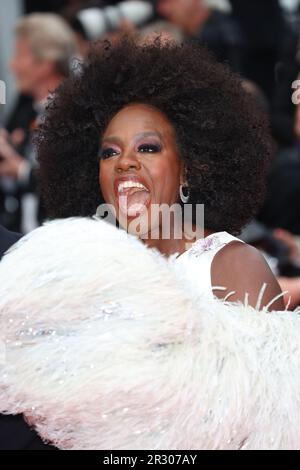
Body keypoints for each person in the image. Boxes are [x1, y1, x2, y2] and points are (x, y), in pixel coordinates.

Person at [38, 37, 283, 309]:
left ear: (187, 170)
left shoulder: (231, 266)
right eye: (109, 152)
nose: (124, 162)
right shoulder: (95, 278)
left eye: (148, 148)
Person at [0, 13, 76, 233]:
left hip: (58, 244)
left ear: (45, 63)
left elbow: (71, 183)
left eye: (20, 55)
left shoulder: (76, 114)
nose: (12, 65)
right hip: (21, 239)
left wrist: (21, 170)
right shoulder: (24, 110)